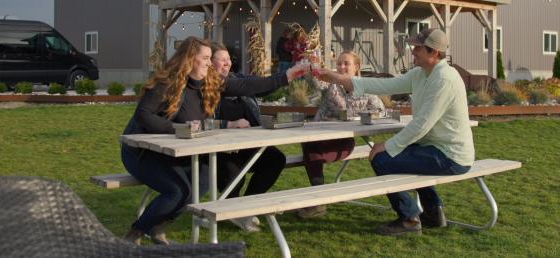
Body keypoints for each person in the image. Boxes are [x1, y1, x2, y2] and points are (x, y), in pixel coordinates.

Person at [120, 36, 307, 244]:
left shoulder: (209, 82)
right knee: (178, 191)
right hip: (142, 153)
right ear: (190, 59)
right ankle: (135, 233)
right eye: (206, 58)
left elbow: (247, 85)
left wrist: (287, 76)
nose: (210, 63)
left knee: (202, 182)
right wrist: (177, 129)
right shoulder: (166, 83)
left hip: (176, 153)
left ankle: (157, 226)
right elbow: (143, 116)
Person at [315, 28, 474, 235]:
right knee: (403, 155)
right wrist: (334, 77)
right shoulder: (421, 73)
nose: (413, 51)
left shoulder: (444, 79)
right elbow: (382, 84)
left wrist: (387, 146)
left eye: (418, 48)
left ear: (434, 53)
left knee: (381, 159)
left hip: (452, 157)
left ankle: (409, 219)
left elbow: (421, 125)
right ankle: (434, 213)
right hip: (437, 149)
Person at [297, 51, 386, 218]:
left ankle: (318, 201)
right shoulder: (331, 83)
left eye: (346, 63)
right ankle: (318, 200)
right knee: (310, 146)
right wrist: (311, 68)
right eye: (339, 63)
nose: (341, 67)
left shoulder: (365, 87)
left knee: (311, 155)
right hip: (318, 137)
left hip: (342, 141)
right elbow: (315, 82)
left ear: (356, 67)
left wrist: (358, 117)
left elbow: (380, 111)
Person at [210, 43, 287, 233]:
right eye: (222, 59)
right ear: (209, 63)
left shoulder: (239, 79)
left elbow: (262, 87)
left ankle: (247, 207)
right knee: (233, 173)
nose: (227, 63)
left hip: (247, 144)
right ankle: (234, 209)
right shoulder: (206, 88)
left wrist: (288, 78)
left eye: (228, 59)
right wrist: (228, 125)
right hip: (217, 148)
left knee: (275, 159)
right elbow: (201, 123)